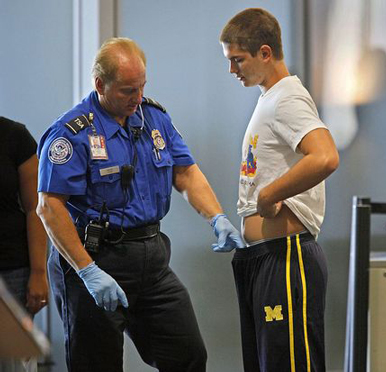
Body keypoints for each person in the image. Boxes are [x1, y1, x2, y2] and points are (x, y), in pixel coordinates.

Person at [36, 37, 244, 372]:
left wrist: (216, 217)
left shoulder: (153, 119)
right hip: (95, 260)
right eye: (127, 91)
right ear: (100, 84)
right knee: (97, 365)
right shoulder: (71, 133)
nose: (137, 98)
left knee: (188, 355)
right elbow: (50, 208)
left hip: (151, 261)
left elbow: (186, 172)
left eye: (141, 87)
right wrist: (88, 271)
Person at [219, 8, 339, 372]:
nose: (232, 70)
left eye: (238, 60)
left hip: (287, 258)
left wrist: (269, 196)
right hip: (264, 258)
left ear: (265, 53)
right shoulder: (270, 99)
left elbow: (325, 157)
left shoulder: (287, 98)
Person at [0, 117, 48, 372]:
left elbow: (35, 209)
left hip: (11, 270)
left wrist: (39, 273)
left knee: (13, 363)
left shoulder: (14, 136)